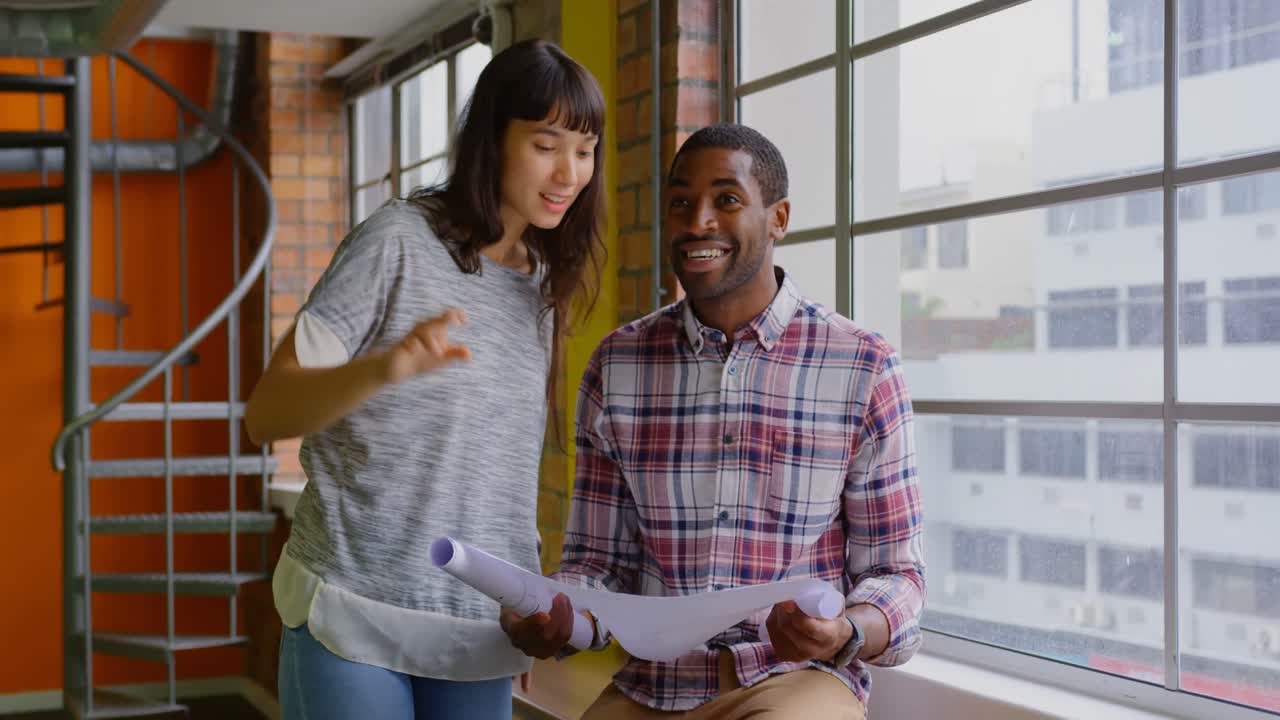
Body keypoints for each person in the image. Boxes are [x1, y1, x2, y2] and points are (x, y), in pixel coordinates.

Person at [502, 124, 925, 719]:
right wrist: (561, 616)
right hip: (652, 686)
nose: (697, 221)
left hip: (794, 683)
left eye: (727, 199)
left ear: (778, 218)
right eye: (680, 203)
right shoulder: (616, 365)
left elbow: (897, 573)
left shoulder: (863, 366)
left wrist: (846, 631)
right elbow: (599, 565)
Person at [244, 38, 606, 720]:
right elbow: (266, 413)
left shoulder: (541, 285)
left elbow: (498, 467)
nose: (569, 171)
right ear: (493, 141)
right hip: (354, 609)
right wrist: (386, 368)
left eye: (584, 150)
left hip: (476, 630)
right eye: (546, 144)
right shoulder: (398, 242)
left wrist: (524, 602)